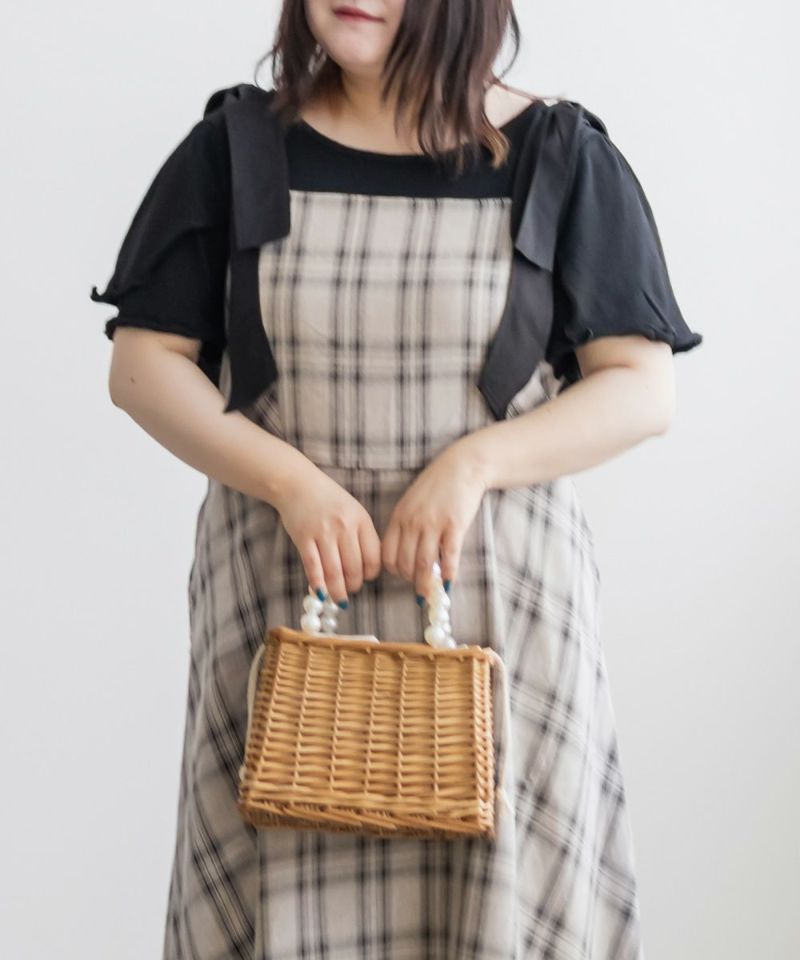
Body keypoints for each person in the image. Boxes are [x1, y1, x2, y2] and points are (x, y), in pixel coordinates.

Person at [90, 2, 703, 958]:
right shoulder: (238, 149)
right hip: (283, 608)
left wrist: (475, 464)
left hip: (501, 624)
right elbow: (141, 366)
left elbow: (641, 387)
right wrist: (292, 483)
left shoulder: (556, 155)